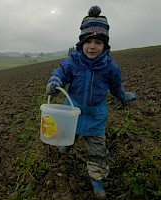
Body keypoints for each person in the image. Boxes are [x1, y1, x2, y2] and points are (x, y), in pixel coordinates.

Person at [46, 5, 136, 199]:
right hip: (72, 112)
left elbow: (116, 87)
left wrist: (123, 97)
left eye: (98, 42)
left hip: (96, 117)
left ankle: (97, 179)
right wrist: (55, 81)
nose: (92, 46)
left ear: (105, 45)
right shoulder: (73, 62)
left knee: (96, 151)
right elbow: (60, 73)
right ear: (81, 43)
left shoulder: (110, 67)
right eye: (88, 41)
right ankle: (67, 144)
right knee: (70, 134)